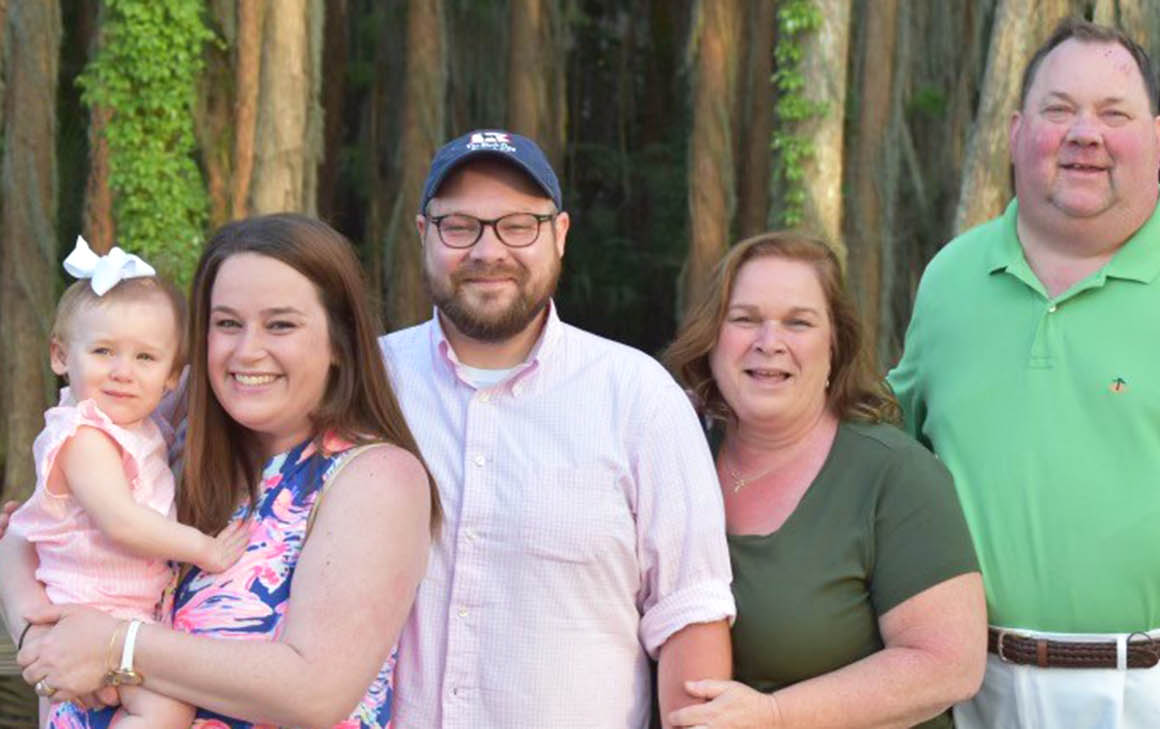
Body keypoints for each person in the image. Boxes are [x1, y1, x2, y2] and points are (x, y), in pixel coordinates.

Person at [888, 19, 1160, 729]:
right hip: (983, 692)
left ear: (1159, 138)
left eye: (1115, 114)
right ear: (1016, 132)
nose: (1086, 133)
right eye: (1059, 110)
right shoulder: (950, 282)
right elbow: (887, 471)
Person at [4, 214, 436, 729]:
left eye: (280, 324)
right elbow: (29, 541)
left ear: (340, 342)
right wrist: (39, 641)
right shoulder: (165, 448)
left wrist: (115, 644)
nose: (247, 350)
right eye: (227, 323)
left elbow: (314, 691)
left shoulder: (372, 478)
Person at [380, 129, 735, 728]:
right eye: (459, 226)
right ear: (424, 235)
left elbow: (689, 615)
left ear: (560, 235)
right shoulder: (370, 383)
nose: (489, 251)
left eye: (519, 225)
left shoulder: (639, 399)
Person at [659, 232, 985, 729]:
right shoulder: (672, 454)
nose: (769, 343)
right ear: (713, 337)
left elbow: (948, 665)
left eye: (799, 322)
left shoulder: (895, 475)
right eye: (745, 319)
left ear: (835, 346)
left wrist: (775, 716)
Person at [7, 238, 248, 728]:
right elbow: (121, 522)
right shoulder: (85, 435)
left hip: (116, 612)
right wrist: (203, 549)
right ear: (60, 355)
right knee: (166, 709)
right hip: (87, 612)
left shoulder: (140, 432)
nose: (122, 372)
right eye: (103, 351)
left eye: (144, 358)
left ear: (171, 378)